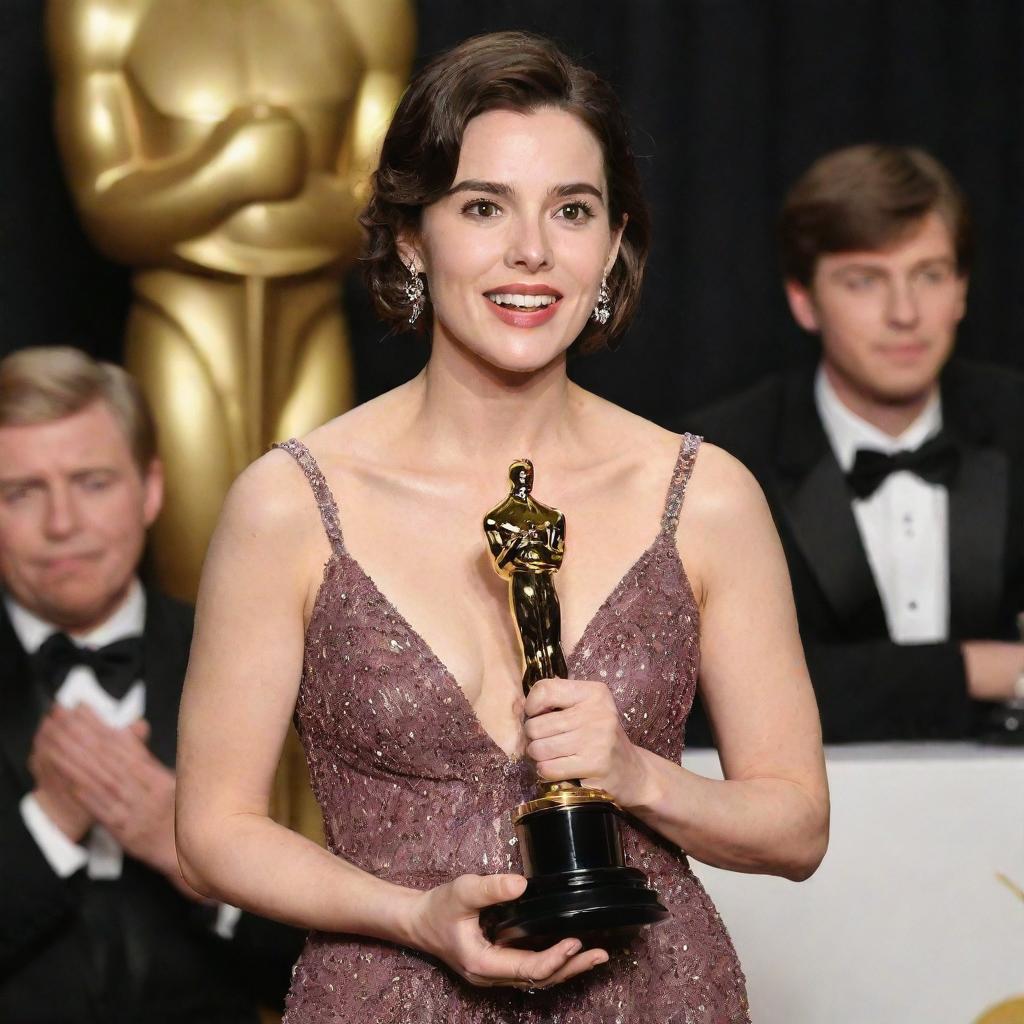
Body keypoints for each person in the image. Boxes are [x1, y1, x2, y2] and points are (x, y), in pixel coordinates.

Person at [175, 32, 829, 1024]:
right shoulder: (292, 503)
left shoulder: (704, 495)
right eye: (484, 207)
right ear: (410, 236)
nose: (531, 251)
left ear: (612, 244)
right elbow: (213, 830)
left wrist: (638, 774)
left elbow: (795, 825)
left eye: (571, 210)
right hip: (386, 994)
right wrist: (410, 915)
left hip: (653, 1000)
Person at [683, 144, 1024, 745]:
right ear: (803, 300)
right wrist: (991, 669)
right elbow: (704, 693)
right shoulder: (721, 458)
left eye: (930, 275)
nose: (905, 313)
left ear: (962, 289)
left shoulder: (1014, 423)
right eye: (865, 281)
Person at [0, 347, 303, 1022]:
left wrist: (196, 855)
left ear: (151, 490)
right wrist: (46, 826)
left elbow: (324, 965)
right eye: (21, 492)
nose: (61, 524)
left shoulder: (259, 656)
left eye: (92, 482)